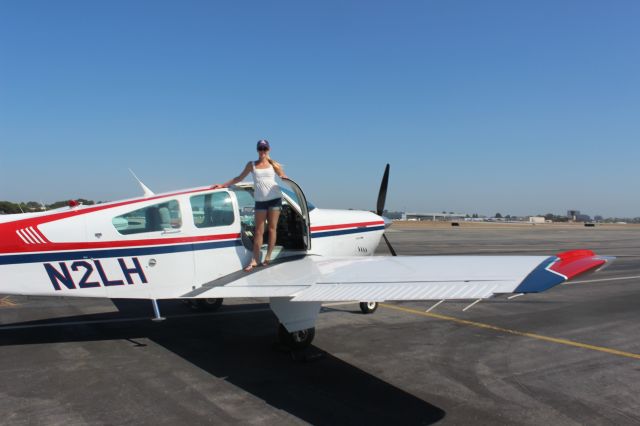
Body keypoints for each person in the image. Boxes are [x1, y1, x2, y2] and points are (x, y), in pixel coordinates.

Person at [211, 139, 288, 271]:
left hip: (274, 198)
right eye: (260, 148)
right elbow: (239, 178)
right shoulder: (251, 164)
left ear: (268, 150)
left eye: (264, 148)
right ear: (257, 150)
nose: (262, 151)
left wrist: (284, 177)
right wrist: (223, 185)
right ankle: (255, 259)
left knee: (272, 229)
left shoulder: (273, 165)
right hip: (260, 201)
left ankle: (268, 257)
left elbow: (282, 176)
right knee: (258, 231)